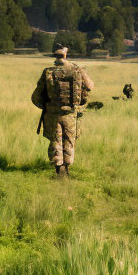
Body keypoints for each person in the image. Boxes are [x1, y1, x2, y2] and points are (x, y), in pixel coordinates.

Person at [31, 43, 94, 177]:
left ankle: (58, 169)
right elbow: (90, 86)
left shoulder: (48, 72)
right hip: (71, 114)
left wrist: (46, 106)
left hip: (53, 114)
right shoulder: (76, 70)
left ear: (55, 56)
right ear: (66, 55)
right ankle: (67, 168)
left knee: (56, 140)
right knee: (69, 140)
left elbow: (36, 96)